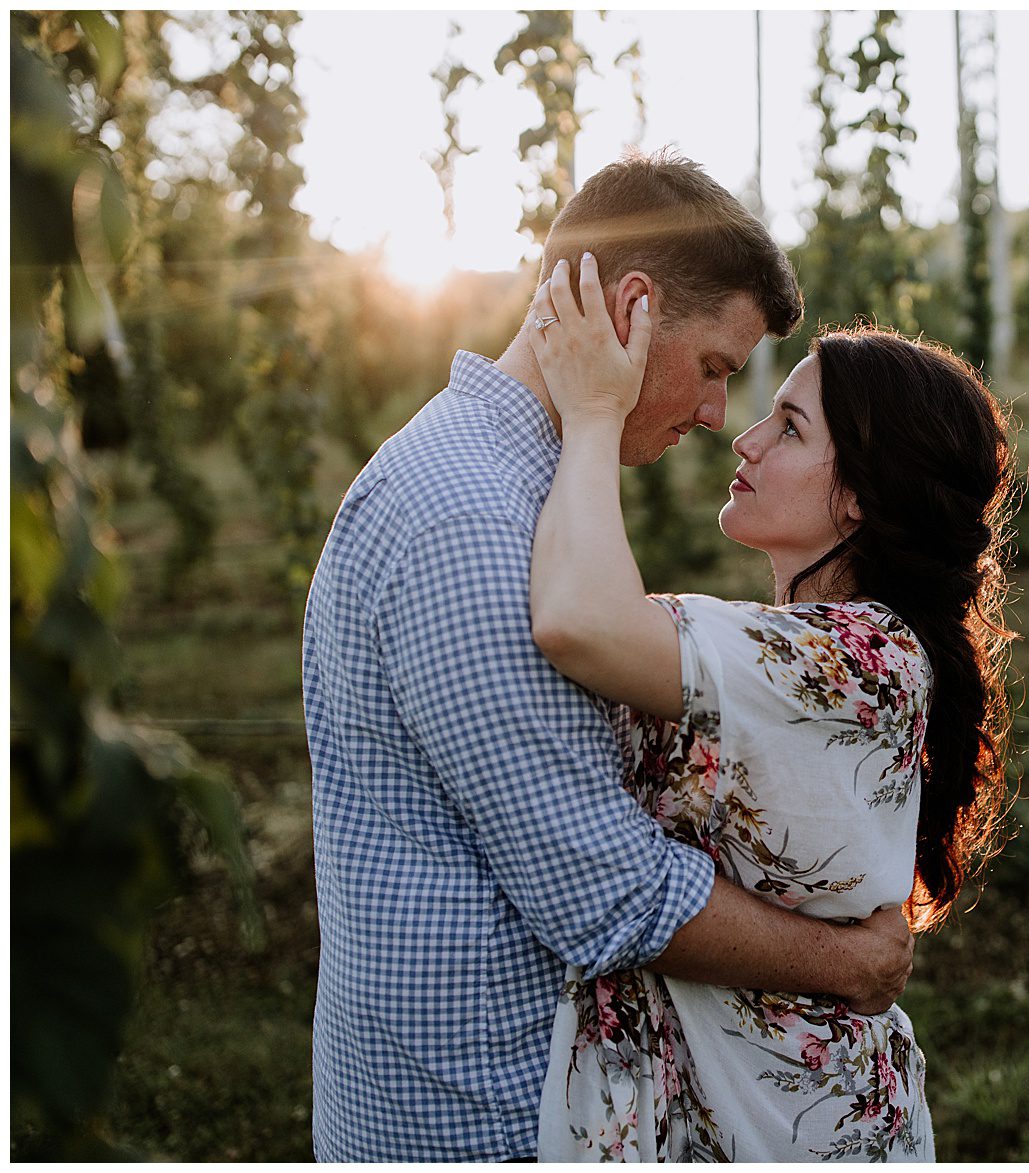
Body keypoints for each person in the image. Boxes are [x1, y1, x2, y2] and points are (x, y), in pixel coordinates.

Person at [302, 151, 915, 1163]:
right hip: (481, 1115)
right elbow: (605, 892)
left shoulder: (513, 489)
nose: (720, 415)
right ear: (629, 309)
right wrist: (846, 962)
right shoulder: (471, 522)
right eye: (716, 367)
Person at [522, 254, 1018, 1160]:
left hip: (799, 1134)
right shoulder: (797, 645)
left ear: (863, 494)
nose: (743, 440)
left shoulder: (863, 657)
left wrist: (594, 412)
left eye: (788, 427)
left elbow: (578, 618)